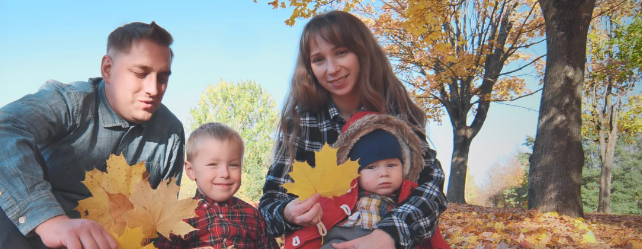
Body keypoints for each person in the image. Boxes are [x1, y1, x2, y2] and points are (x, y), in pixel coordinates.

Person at [0, 22, 185, 249]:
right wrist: (50, 221)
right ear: (108, 69)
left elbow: (158, 224)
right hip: (29, 238)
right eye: (141, 73)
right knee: (3, 158)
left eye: (163, 78)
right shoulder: (70, 103)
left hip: (104, 244)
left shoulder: (171, 135)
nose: (154, 89)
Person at [259, 10, 447, 249]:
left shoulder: (395, 113)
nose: (332, 68)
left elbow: (431, 185)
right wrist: (287, 212)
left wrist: (389, 233)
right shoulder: (302, 123)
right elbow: (270, 201)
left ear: (362, 52)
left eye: (340, 52)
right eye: (318, 60)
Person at [283, 112, 449, 249]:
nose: (383, 173)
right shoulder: (337, 196)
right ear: (355, 173)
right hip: (340, 243)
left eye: (391, 165)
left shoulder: (408, 200)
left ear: (404, 167)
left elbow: (428, 237)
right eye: (371, 167)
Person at [155, 122, 279, 249]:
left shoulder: (253, 215)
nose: (225, 173)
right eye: (213, 164)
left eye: (233, 165)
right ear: (191, 170)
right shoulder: (178, 217)